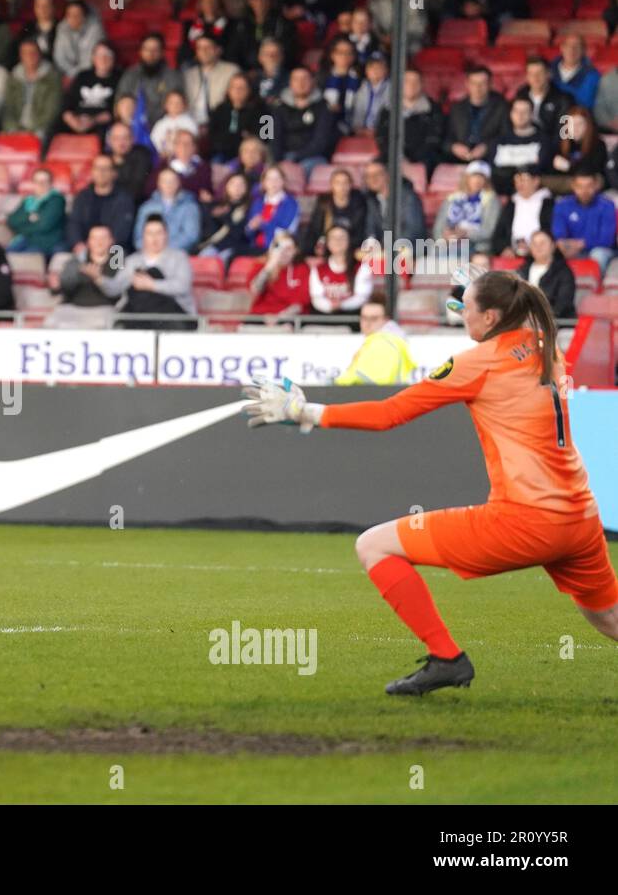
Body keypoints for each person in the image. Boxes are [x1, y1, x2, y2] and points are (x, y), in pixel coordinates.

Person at [244, 271, 618, 695]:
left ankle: (447, 658)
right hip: (581, 519)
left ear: (492, 316)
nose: (460, 316)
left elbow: (389, 415)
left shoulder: (476, 364)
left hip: (525, 522)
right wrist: (479, 297)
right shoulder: (546, 345)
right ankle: (445, 660)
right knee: (607, 617)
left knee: (373, 545)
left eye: (467, 310)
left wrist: (306, 412)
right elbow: (509, 318)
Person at [107, 216, 195, 329]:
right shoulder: (132, 261)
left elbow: (182, 286)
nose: (154, 238)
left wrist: (151, 285)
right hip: (139, 315)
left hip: (173, 315)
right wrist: (99, 279)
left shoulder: (179, 257)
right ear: (143, 236)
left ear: (166, 235)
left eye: (159, 233)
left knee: (152, 275)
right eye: (149, 233)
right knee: (137, 290)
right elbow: (116, 288)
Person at [333, 292, 415, 385]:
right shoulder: (386, 341)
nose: (367, 323)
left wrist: (337, 382)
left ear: (386, 320)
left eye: (374, 318)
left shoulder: (384, 344)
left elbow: (363, 377)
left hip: (379, 395)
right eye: (364, 318)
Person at [66, 155, 135, 250]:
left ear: (114, 173)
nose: (101, 172)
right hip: (86, 248)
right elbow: (74, 223)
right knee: (65, 261)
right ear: (92, 172)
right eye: (97, 168)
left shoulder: (124, 198)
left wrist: (103, 250)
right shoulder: (83, 196)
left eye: (105, 169)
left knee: (116, 264)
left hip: (115, 248)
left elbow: (122, 231)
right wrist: (78, 244)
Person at [551, 170, 616, 272]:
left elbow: (607, 240)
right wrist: (566, 245)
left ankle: (592, 286)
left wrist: (582, 244)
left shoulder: (607, 205)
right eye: (580, 186)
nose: (584, 190)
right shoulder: (562, 205)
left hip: (599, 250)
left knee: (598, 254)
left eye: (589, 186)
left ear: (596, 185)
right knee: (553, 251)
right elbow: (559, 235)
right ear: (573, 185)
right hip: (571, 249)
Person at [433, 161, 500, 256]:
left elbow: (488, 231)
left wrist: (466, 234)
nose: (477, 180)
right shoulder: (452, 198)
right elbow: (438, 227)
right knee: (434, 251)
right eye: (474, 176)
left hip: (476, 245)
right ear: (466, 177)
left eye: (481, 177)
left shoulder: (491, 200)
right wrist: (445, 236)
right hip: (448, 243)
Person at [309, 225, 374, 322]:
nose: (337, 241)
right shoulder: (318, 269)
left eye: (342, 238)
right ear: (327, 242)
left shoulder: (362, 267)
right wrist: (330, 306)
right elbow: (316, 297)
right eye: (333, 238)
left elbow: (362, 296)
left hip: (353, 317)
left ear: (349, 241)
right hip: (324, 317)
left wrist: (342, 305)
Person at [490, 166, 553, 257]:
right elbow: (499, 233)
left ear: (536, 181)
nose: (519, 184)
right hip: (512, 254)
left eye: (523, 180)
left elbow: (551, 230)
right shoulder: (512, 204)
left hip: (538, 254)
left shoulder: (548, 204)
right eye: (517, 180)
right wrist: (504, 248)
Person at [134, 168, 200, 252]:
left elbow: (191, 236)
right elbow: (138, 238)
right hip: (150, 254)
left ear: (178, 183)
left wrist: (165, 249)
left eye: (172, 181)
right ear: (158, 183)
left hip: (179, 255)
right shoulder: (146, 208)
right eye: (164, 181)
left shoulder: (190, 206)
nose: (169, 184)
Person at [518, 230, 577, 319]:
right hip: (525, 322)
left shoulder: (564, 272)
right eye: (534, 244)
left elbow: (563, 304)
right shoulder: (522, 270)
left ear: (553, 246)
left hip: (557, 323)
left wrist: (541, 320)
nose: (538, 247)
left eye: (542, 243)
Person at [6, 167, 66, 256]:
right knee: (4, 255)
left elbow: (44, 225)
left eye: (44, 181)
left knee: (24, 258)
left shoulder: (56, 200)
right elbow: (11, 220)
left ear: (50, 183)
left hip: (45, 243)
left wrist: (21, 227)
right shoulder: (29, 200)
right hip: (26, 239)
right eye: (37, 181)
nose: (40, 185)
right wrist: (28, 217)